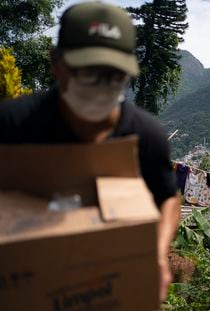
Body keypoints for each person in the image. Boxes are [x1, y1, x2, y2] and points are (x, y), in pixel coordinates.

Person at [0, 1, 180, 302]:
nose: (101, 87)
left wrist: (158, 255)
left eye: (114, 75)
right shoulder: (11, 126)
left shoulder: (146, 137)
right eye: (88, 72)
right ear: (56, 63)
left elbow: (168, 199)